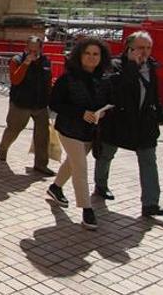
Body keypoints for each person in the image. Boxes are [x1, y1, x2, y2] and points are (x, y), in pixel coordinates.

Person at [94, 31, 163, 217]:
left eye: (148, 48)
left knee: (148, 161)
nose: (144, 52)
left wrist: (160, 114)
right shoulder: (115, 66)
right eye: (140, 48)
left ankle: (151, 203)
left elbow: (153, 93)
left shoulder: (151, 67)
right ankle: (101, 185)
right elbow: (115, 91)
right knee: (106, 155)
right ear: (129, 48)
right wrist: (131, 66)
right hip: (118, 122)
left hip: (144, 124)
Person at [45, 38, 111, 230]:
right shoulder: (67, 79)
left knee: (73, 162)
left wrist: (103, 112)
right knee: (81, 168)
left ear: (101, 57)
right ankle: (87, 210)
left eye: (95, 54)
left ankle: (55, 187)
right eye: (87, 53)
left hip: (91, 132)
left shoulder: (104, 80)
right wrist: (80, 113)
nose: (91, 58)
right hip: (69, 129)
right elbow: (55, 103)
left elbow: (108, 101)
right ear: (80, 55)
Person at [0, 36, 56, 176]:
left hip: (40, 105)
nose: (33, 53)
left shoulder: (46, 61)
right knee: (13, 130)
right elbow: (15, 80)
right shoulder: (17, 60)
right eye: (30, 49)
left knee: (43, 135)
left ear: (41, 48)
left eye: (36, 49)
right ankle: (3, 149)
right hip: (21, 104)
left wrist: (51, 99)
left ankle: (41, 164)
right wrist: (26, 63)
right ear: (26, 47)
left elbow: (48, 82)